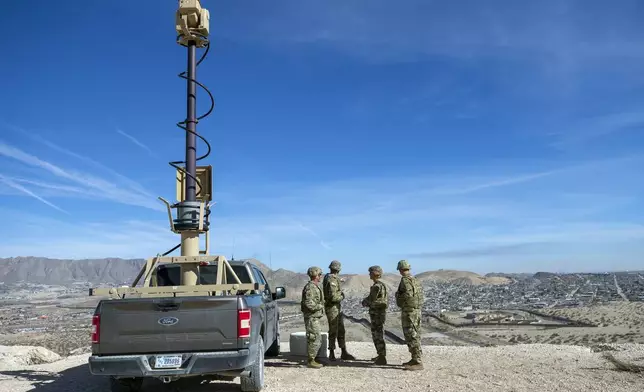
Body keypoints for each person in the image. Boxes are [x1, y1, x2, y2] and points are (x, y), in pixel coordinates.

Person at [323, 260, 355, 361]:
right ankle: (332, 353)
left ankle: (343, 352)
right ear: (338, 269)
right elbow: (333, 297)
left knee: (341, 330)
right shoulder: (331, 279)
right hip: (332, 307)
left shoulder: (332, 277)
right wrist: (342, 296)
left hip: (336, 308)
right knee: (333, 330)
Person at [394, 259, 424, 370]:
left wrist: (398, 297)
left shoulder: (404, 281)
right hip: (416, 311)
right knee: (415, 334)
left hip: (409, 312)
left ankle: (418, 361)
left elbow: (402, 298)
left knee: (411, 335)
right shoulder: (415, 279)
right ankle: (414, 359)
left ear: (400, 270)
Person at [361, 265, 388, 365]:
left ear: (375, 273)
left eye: (370, 272)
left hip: (377, 315)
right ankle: (380, 355)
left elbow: (371, 300)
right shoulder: (380, 285)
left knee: (377, 335)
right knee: (379, 334)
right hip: (379, 314)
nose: (369, 274)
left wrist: (365, 302)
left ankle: (382, 357)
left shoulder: (377, 286)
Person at [301, 266, 325, 368]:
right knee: (313, 337)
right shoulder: (310, 287)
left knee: (316, 337)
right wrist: (320, 306)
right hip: (311, 317)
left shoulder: (314, 286)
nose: (320, 276)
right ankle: (311, 360)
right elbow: (309, 304)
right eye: (319, 274)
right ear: (315, 275)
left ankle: (314, 357)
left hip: (314, 317)